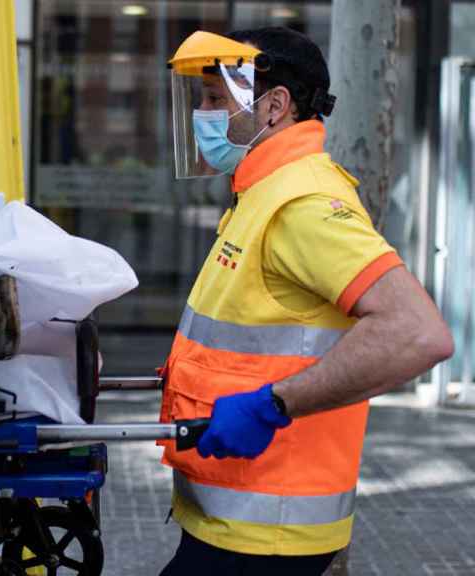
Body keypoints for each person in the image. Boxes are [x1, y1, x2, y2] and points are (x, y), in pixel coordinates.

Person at [157, 27, 454, 575]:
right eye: (202, 99)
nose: (204, 114)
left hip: (266, 529)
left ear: (274, 105)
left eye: (217, 99)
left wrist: (273, 405)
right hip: (236, 519)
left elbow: (417, 333)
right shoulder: (263, 191)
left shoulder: (303, 203)